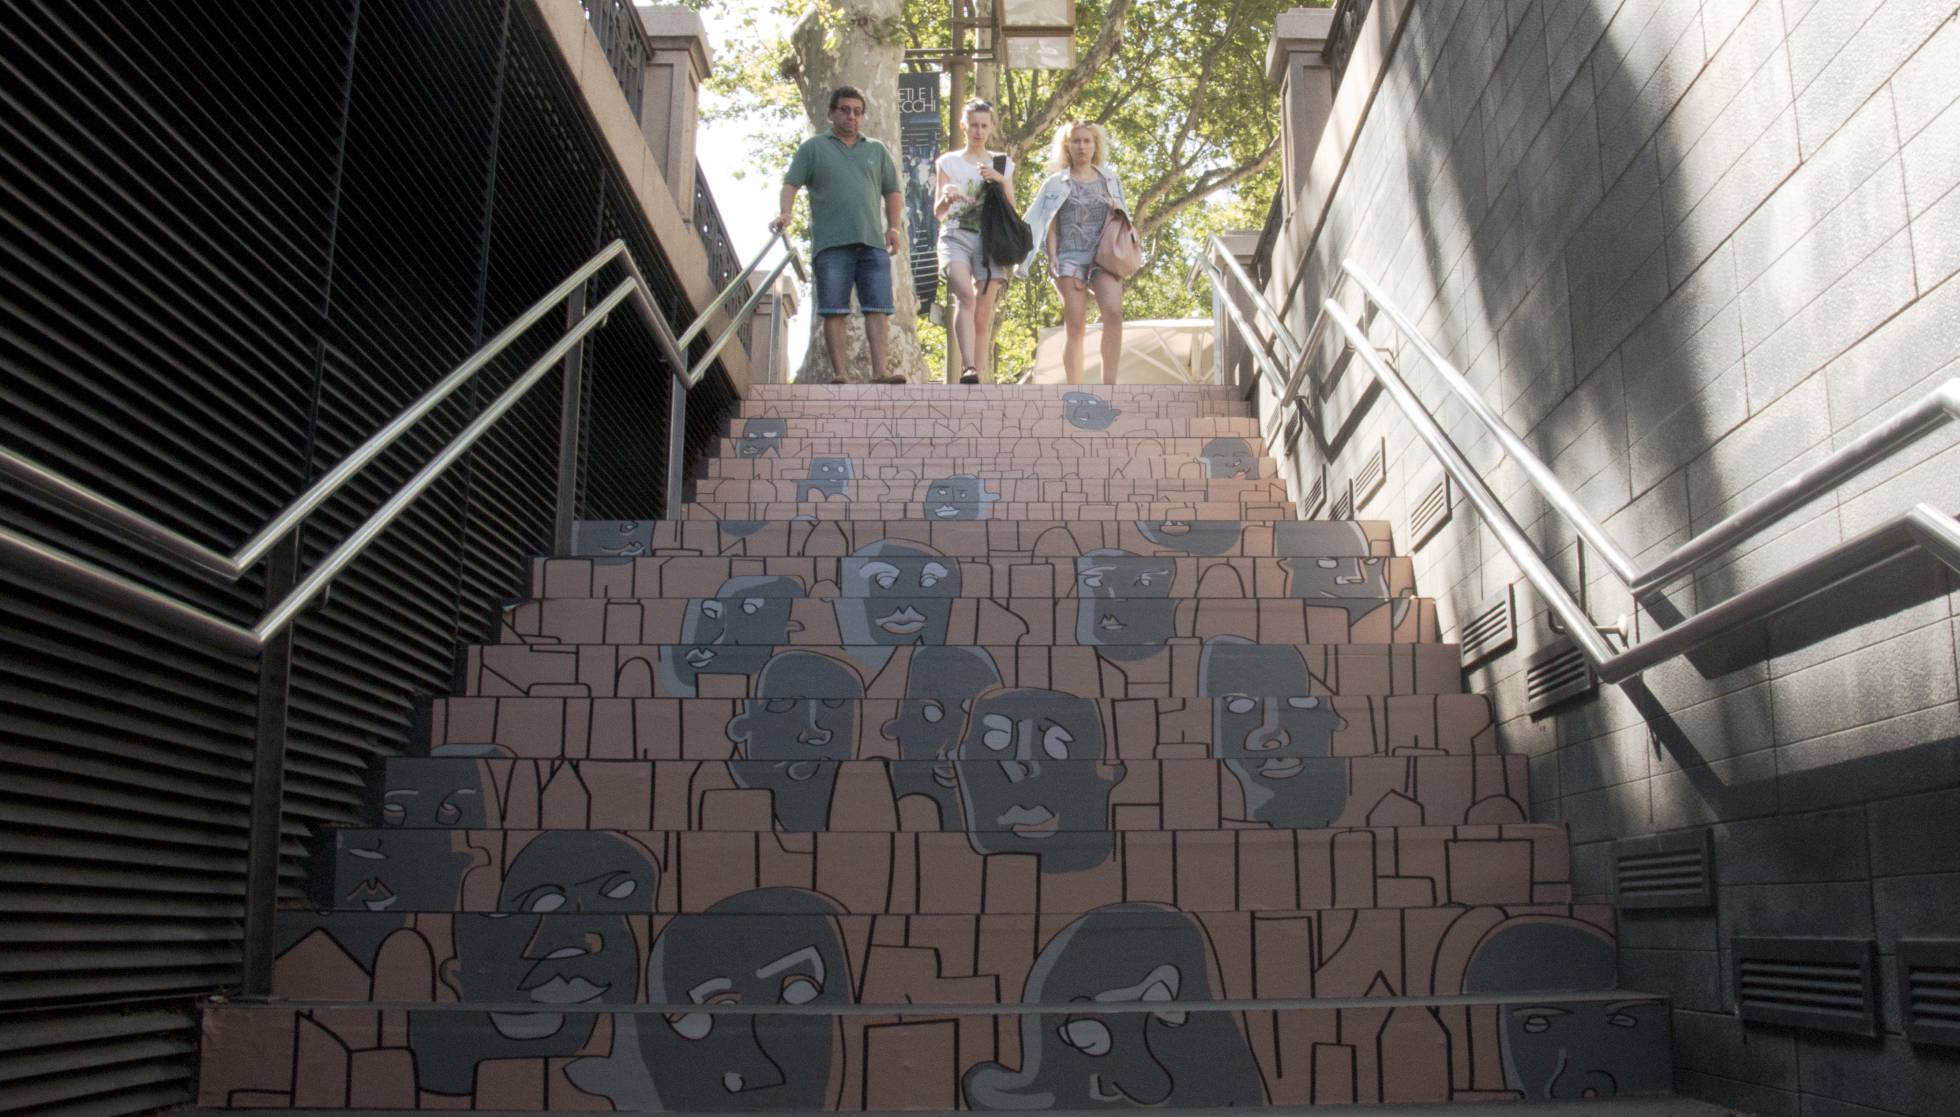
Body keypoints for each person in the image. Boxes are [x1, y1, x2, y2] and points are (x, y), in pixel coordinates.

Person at [772, 86, 904, 383]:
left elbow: (892, 191)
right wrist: (786, 213)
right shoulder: (814, 148)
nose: (851, 117)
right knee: (834, 310)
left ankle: (881, 371)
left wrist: (893, 228)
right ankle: (840, 374)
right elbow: (791, 184)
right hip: (831, 245)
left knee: (879, 308)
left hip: (872, 243)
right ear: (831, 113)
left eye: (857, 112)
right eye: (844, 110)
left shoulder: (876, 150)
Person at [1021, 121, 1129, 385]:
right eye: (1076, 141)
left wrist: (1117, 209)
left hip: (1103, 257)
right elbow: (1049, 223)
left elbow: (1124, 221)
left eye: (1087, 141)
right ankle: (1075, 390)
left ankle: (1109, 387)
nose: (1082, 146)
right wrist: (1052, 256)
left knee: (1113, 312)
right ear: (1067, 146)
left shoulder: (1109, 178)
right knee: (1076, 325)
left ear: (1095, 145)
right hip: (1069, 257)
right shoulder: (1056, 183)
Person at [934, 99, 1016, 385]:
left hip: (990, 243)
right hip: (955, 236)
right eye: (973, 125)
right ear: (963, 127)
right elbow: (939, 212)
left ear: (991, 127)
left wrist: (1000, 180)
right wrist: (947, 197)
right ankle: (968, 366)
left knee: (982, 314)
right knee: (964, 296)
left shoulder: (1002, 163)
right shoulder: (948, 162)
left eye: (984, 125)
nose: (979, 131)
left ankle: (976, 377)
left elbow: (1012, 209)